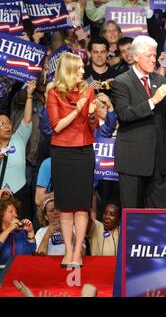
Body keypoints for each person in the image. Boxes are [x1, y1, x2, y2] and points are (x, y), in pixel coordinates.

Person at [110, 35, 166, 209]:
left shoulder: (161, 80)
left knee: (158, 219)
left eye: (154, 55)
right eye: (149, 56)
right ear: (136, 57)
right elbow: (124, 114)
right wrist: (153, 101)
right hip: (133, 161)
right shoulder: (121, 83)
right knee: (133, 216)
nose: (154, 59)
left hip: (159, 161)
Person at [46, 52, 99, 268]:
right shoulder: (53, 93)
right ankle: (67, 250)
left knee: (82, 205)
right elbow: (57, 126)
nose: (82, 72)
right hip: (62, 152)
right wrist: (78, 109)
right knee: (66, 206)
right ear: (67, 70)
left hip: (84, 151)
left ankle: (78, 251)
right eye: (78, 68)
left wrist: (94, 114)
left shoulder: (88, 90)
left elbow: (93, 124)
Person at [0, 80, 34, 220]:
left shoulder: (19, 138)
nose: (8, 126)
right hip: (1, 198)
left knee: (23, 232)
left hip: (21, 196)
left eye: (9, 123)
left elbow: (26, 119)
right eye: (2, 124)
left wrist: (29, 96)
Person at [0, 197, 36, 265]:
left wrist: (30, 232)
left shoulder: (20, 232)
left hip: (19, 271)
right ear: (1, 214)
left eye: (16, 212)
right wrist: (9, 229)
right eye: (11, 212)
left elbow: (30, 252)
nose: (15, 215)